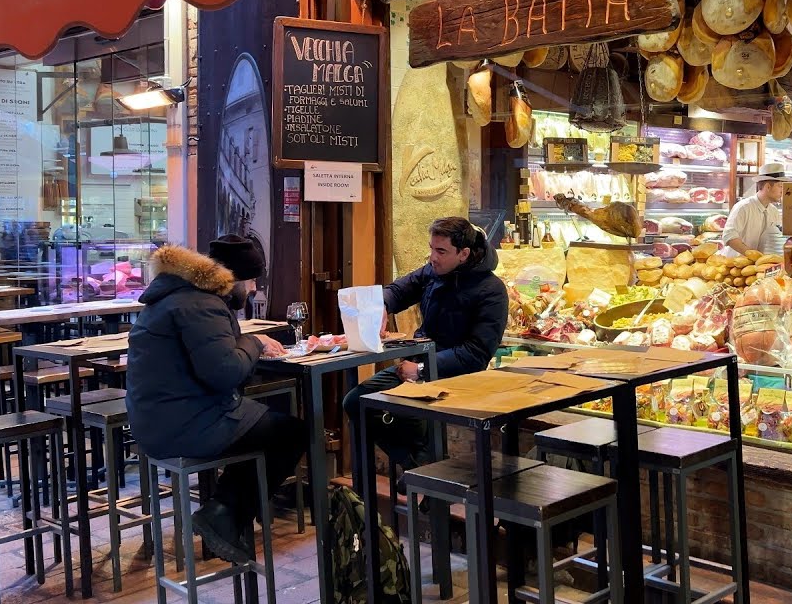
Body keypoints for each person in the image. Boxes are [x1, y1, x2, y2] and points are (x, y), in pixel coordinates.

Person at [126, 235, 305, 564]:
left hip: (157, 418)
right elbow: (224, 373)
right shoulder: (202, 305)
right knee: (292, 432)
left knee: (266, 425)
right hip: (181, 424)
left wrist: (246, 343)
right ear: (231, 278)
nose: (252, 289)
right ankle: (222, 515)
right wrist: (253, 343)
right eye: (250, 280)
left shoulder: (182, 295)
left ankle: (225, 514)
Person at [343, 217, 508, 469]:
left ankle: (427, 473)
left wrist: (421, 369)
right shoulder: (433, 271)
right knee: (356, 402)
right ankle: (418, 466)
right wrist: (382, 306)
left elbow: (476, 354)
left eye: (441, 251)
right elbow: (399, 290)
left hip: (456, 375)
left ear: (463, 253)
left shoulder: (491, 290)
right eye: (431, 249)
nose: (433, 257)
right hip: (419, 364)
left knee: (406, 412)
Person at [721, 161, 785, 256]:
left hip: (759, 266)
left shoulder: (774, 211)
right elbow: (729, 236)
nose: (782, 191)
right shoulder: (743, 207)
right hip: (736, 265)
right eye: (780, 186)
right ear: (768, 186)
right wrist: (752, 255)